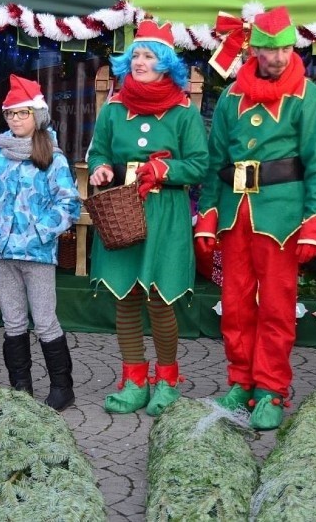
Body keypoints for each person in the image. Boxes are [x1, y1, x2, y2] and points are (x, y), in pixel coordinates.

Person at [195, 6, 316, 430]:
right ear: (253, 48)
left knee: (276, 306)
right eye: (268, 50)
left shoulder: (306, 96)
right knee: (235, 306)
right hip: (237, 217)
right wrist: (208, 212)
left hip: (282, 219)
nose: (276, 58)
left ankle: (272, 387)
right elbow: (217, 161)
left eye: (283, 49)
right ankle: (240, 380)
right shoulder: (232, 97)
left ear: (294, 46)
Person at [88, 20, 209, 417]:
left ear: (166, 64)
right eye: (136, 55)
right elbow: (98, 152)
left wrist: (165, 171)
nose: (140, 62)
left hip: (165, 215)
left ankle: (168, 379)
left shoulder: (183, 113)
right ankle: (134, 379)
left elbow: (199, 165)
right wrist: (101, 169)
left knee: (160, 299)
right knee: (125, 296)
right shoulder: (114, 109)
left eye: (149, 56)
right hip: (123, 208)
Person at [0, 74, 80, 411]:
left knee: (45, 320)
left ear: (37, 116)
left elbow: (69, 204)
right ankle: (20, 386)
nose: (16, 119)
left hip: (36, 255)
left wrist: (37, 233)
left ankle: (62, 387)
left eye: (22, 113)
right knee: (13, 321)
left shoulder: (53, 158)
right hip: (3, 254)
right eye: (10, 114)